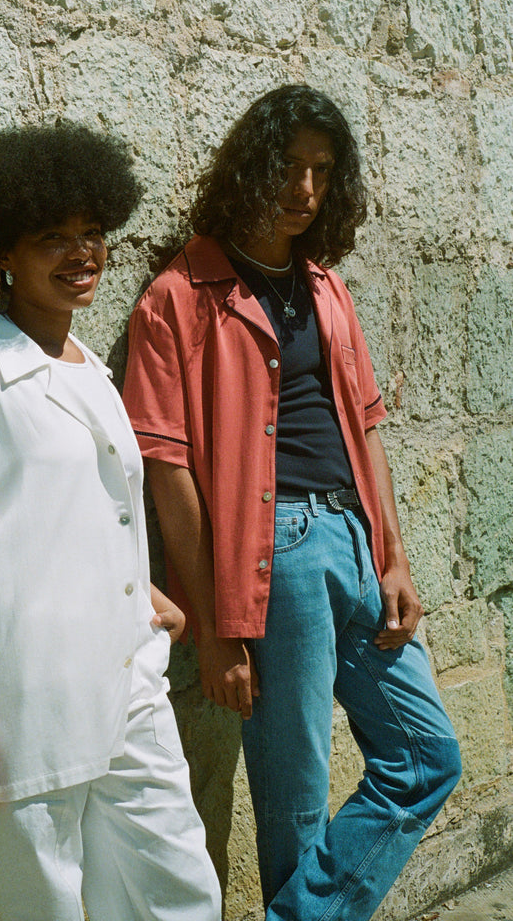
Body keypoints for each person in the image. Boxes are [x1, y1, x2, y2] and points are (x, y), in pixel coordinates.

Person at [122, 85, 461, 921]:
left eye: (320, 171)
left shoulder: (325, 288)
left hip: (350, 537)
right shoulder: (180, 295)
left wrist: (393, 556)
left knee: (426, 757)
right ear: (249, 166)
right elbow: (168, 474)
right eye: (287, 166)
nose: (303, 188)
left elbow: (367, 431)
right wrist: (219, 628)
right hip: (270, 559)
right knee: (297, 797)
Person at [0, 122, 221, 921]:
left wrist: (142, 596)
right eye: (53, 238)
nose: (81, 254)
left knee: (178, 889)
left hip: (129, 686)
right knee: (42, 906)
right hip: (28, 706)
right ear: (1, 254)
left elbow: (84, 516)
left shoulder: (91, 372)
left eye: (92, 235)